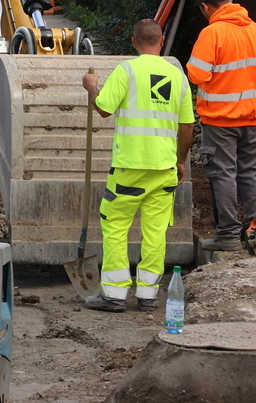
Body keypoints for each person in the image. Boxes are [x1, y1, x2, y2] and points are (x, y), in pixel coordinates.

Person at [79, 19, 195, 312]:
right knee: (155, 232)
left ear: (133, 42)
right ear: (162, 39)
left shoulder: (126, 71)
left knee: (116, 225)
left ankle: (115, 295)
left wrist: (92, 87)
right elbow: (187, 131)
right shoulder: (178, 76)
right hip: (164, 169)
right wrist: (180, 162)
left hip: (130, 168)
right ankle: (148, 296)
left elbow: (103, 109)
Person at [185, 0, 256, 250]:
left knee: (223, 175)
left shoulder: (212, 33)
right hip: (252, 118)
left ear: (205, 7)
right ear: (228, 0)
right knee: (250, 172)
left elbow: (197, 74)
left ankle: (228, 237)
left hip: (220, 121)